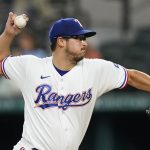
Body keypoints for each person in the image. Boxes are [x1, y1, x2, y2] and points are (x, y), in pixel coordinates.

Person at [0, 12, 150, 150]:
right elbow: (1, 63)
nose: (84, 43)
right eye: (78, 38)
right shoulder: (31, 66)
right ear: (61, 41)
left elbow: (131, 76)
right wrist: (8, 34)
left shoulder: (96, 69)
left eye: (84, 39)